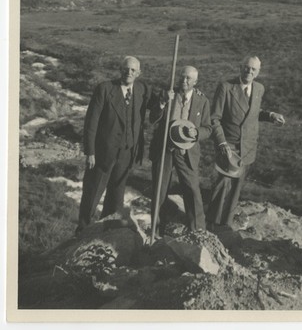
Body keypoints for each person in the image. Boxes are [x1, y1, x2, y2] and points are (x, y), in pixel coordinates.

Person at [206, 55, 285, 230]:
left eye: (253, 69)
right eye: (246, 68)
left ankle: (224, 226)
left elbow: (253, 112)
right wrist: (222, 143)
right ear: (241, 67)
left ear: (258, 72)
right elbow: (214, 119)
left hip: (247, 148)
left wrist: (271, 116)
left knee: (236, 189)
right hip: (229, 147)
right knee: (222, 186)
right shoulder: (226, 87)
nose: (249, 72)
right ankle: (210, 224)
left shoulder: (259, 89)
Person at [76, 56, 151, 233]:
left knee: (116, 195)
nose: (129, 72)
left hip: (127, 152)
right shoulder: (105, 89)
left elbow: (156, 106)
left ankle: (107, 230)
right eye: (126, 68)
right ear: (120, 70)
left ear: (138, 73)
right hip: (103, 153)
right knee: (93, 192)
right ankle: (82, 230)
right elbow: (91, 122)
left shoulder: (141, 89)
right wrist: (90, 152)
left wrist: (164, 101)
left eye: (133, 70)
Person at [149, 66, 212, 235]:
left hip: (187, 153)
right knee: (159, 191)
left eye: (188, 79)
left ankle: (198, 230)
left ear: (195, 82)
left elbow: (208, 128)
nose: (183, 81)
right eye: (182, 77)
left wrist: (197, 132)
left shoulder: (202, 101)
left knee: (192, 190)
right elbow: (152, 119)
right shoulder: (167, 94)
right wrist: (162, 103)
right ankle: (155, 230)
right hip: (165, 150)